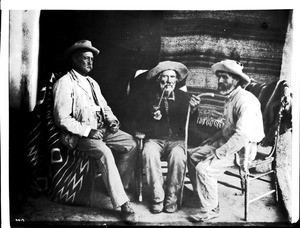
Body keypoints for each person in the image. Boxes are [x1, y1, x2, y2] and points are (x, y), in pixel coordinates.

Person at [52, 40, 138, 224]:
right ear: (75, 59)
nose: (91, 63)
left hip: (101, 130)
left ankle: (116, 187)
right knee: (104, 152)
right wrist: (88, 131)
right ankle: (123, 204)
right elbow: (62, 119)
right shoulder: (65, 83)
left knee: (130, 143)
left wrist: (112, 120)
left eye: (92, 59)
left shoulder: (92, 82)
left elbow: (104, 107)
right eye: (86, 59)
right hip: (78, 136)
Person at [187, 59, 265, 222]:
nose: (220, 81)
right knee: (192, 156)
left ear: (236, 80)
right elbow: (227, 129)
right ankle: (202, 195)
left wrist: (217, 153)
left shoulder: (246, 100)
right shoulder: (230, 98)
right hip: (227, 142)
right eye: (219, 77)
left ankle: (211, 208)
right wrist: (212, 140)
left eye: (225, 78)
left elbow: (241, 137)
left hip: (242, 149)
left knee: (204, 168)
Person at [135, 61, 200, 214]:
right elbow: (138, 122)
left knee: (178, 156)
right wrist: (151, 116)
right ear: (158, 79)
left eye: (172, 77)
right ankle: (157, 198)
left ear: (177, 80)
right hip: (154, 140)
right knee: (148, 153)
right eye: (165, 77)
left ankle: (172, 199)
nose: (169, 81)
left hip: (176, 141)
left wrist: (194, 110)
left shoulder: (185, 97)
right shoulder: (147, 98)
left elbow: (189, 124)